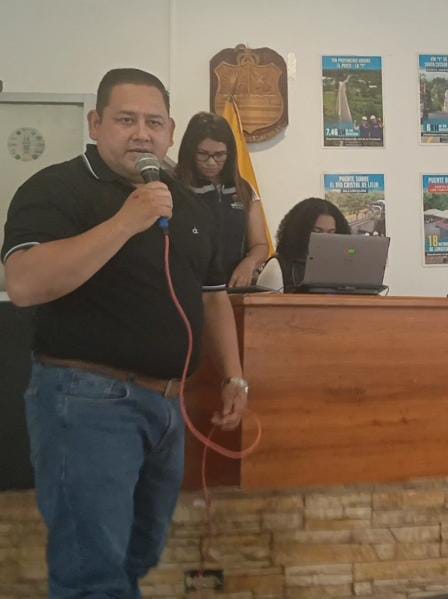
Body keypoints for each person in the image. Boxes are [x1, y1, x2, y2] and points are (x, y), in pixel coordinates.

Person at [1, 68, 247, 596]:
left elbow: (213, 296)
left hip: (167, 406)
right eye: (125, 120)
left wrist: (234, 376)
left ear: (170, 131)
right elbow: (23, 284)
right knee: (92, 569)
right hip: (86, 401)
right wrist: (124, 223)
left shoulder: (188, 202)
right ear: (96, 124)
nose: (141, 134)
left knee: (139, 553)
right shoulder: (55, 188)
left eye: (154, 122)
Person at [175, 111, 270, 288]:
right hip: (188, 286)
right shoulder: (174, 187)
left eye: (219, 155)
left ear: (230, 154)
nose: (211, 162)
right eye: (203, 154)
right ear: (190, 151)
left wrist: (249, 263)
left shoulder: (243, 189)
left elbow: (260, 245)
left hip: (232, 286)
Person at [257, 197, 350, 292]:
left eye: (331, 232)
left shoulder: (343, 267)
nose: (325, 238)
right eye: (317, 231)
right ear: (300, 232)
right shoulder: (277, 267)